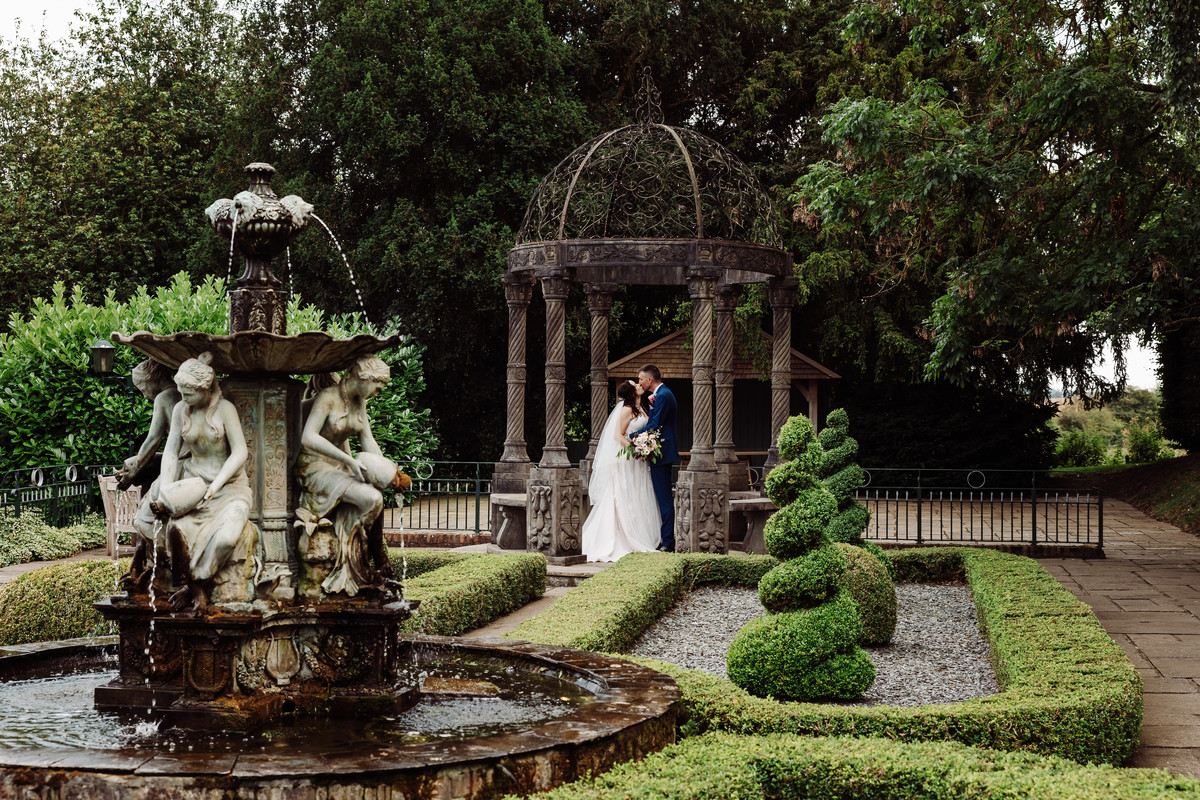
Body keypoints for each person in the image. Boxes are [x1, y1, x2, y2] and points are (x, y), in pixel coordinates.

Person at [158, 352, 258, 611]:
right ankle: (195, 589)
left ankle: (197, 581)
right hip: (193, 489)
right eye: (181, 393)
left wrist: (215, 487)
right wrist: (166, 493)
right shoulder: (182, 410)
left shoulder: (224, 410)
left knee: (225, 539)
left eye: (189, 394)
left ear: (206, 389)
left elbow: (240, 453)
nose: (183, 399)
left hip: (230, 490)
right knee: (176, 532)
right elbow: (170, 452)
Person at [295, 354, 396, 596]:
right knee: (372, 500)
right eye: (378, 387)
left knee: (375, 493)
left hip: (341, 465)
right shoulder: (327, 397)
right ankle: (357, 565)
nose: (378, 393)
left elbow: (368, 441)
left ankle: (370, 562)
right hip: (314, 467)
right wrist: (348, 461)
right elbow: (308, 437)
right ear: (363, 378)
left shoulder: (359, 403)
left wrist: (386, 471)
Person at [119, 359, 181, 594]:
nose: (144, 395)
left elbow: (151, 441)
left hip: (178, 468)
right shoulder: (182, 396)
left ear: (152, 381)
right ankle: (147, 564)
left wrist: (133, 470)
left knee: (144, 516)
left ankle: (160, 567)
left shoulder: (166, 397)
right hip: (184, 463)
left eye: (143, 389)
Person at [582, 380, 661, 562]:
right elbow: (617, 435)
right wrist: (635, 448)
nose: (639, 385)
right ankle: (620, 536)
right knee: (624, 494)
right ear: (631, 392)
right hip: (627, 458)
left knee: (638, 493)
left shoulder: (640, 407)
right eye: (635, 384)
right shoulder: (626, 409)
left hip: (639, 459)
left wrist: (645, 445)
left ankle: (640, 533)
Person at [628, 364, 680, 551]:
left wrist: (631, 437)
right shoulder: (661, 394)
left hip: (663, 453)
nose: (639, 382)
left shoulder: (664, 395)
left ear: (650, 380)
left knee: (664, 499)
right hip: (660, 452)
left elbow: (655, 425)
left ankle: (668, 542)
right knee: (661, 498)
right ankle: (663, 538)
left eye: (641, 378)